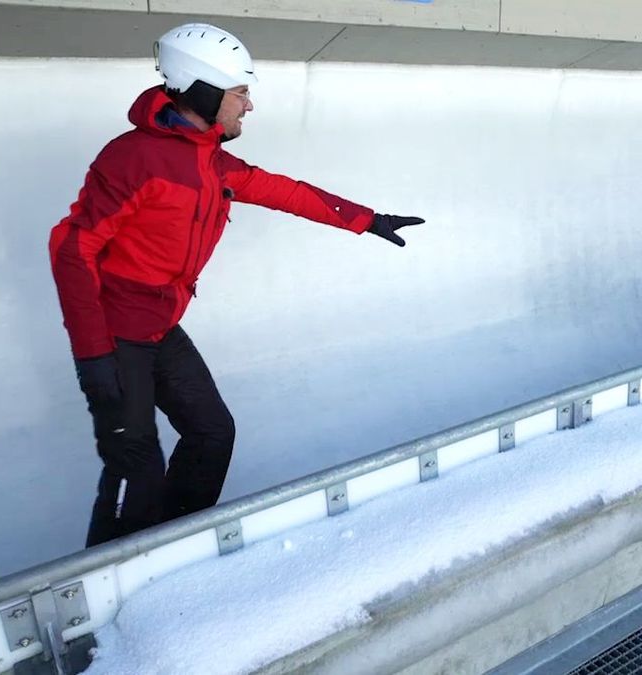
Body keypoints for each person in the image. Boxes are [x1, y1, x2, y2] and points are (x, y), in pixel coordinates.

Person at [49, 23, 424, 547]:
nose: (249, 106)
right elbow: (72, 248)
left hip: (159, 327)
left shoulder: (210, 161)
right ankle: (95, 589)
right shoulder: (132, 159)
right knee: (136, 469)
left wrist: (368, 219)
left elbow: (282, 191)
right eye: (241, 92)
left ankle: (175, 547)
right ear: (203, 90)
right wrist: (93, 358)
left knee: (212, 433)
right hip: (115, 338)